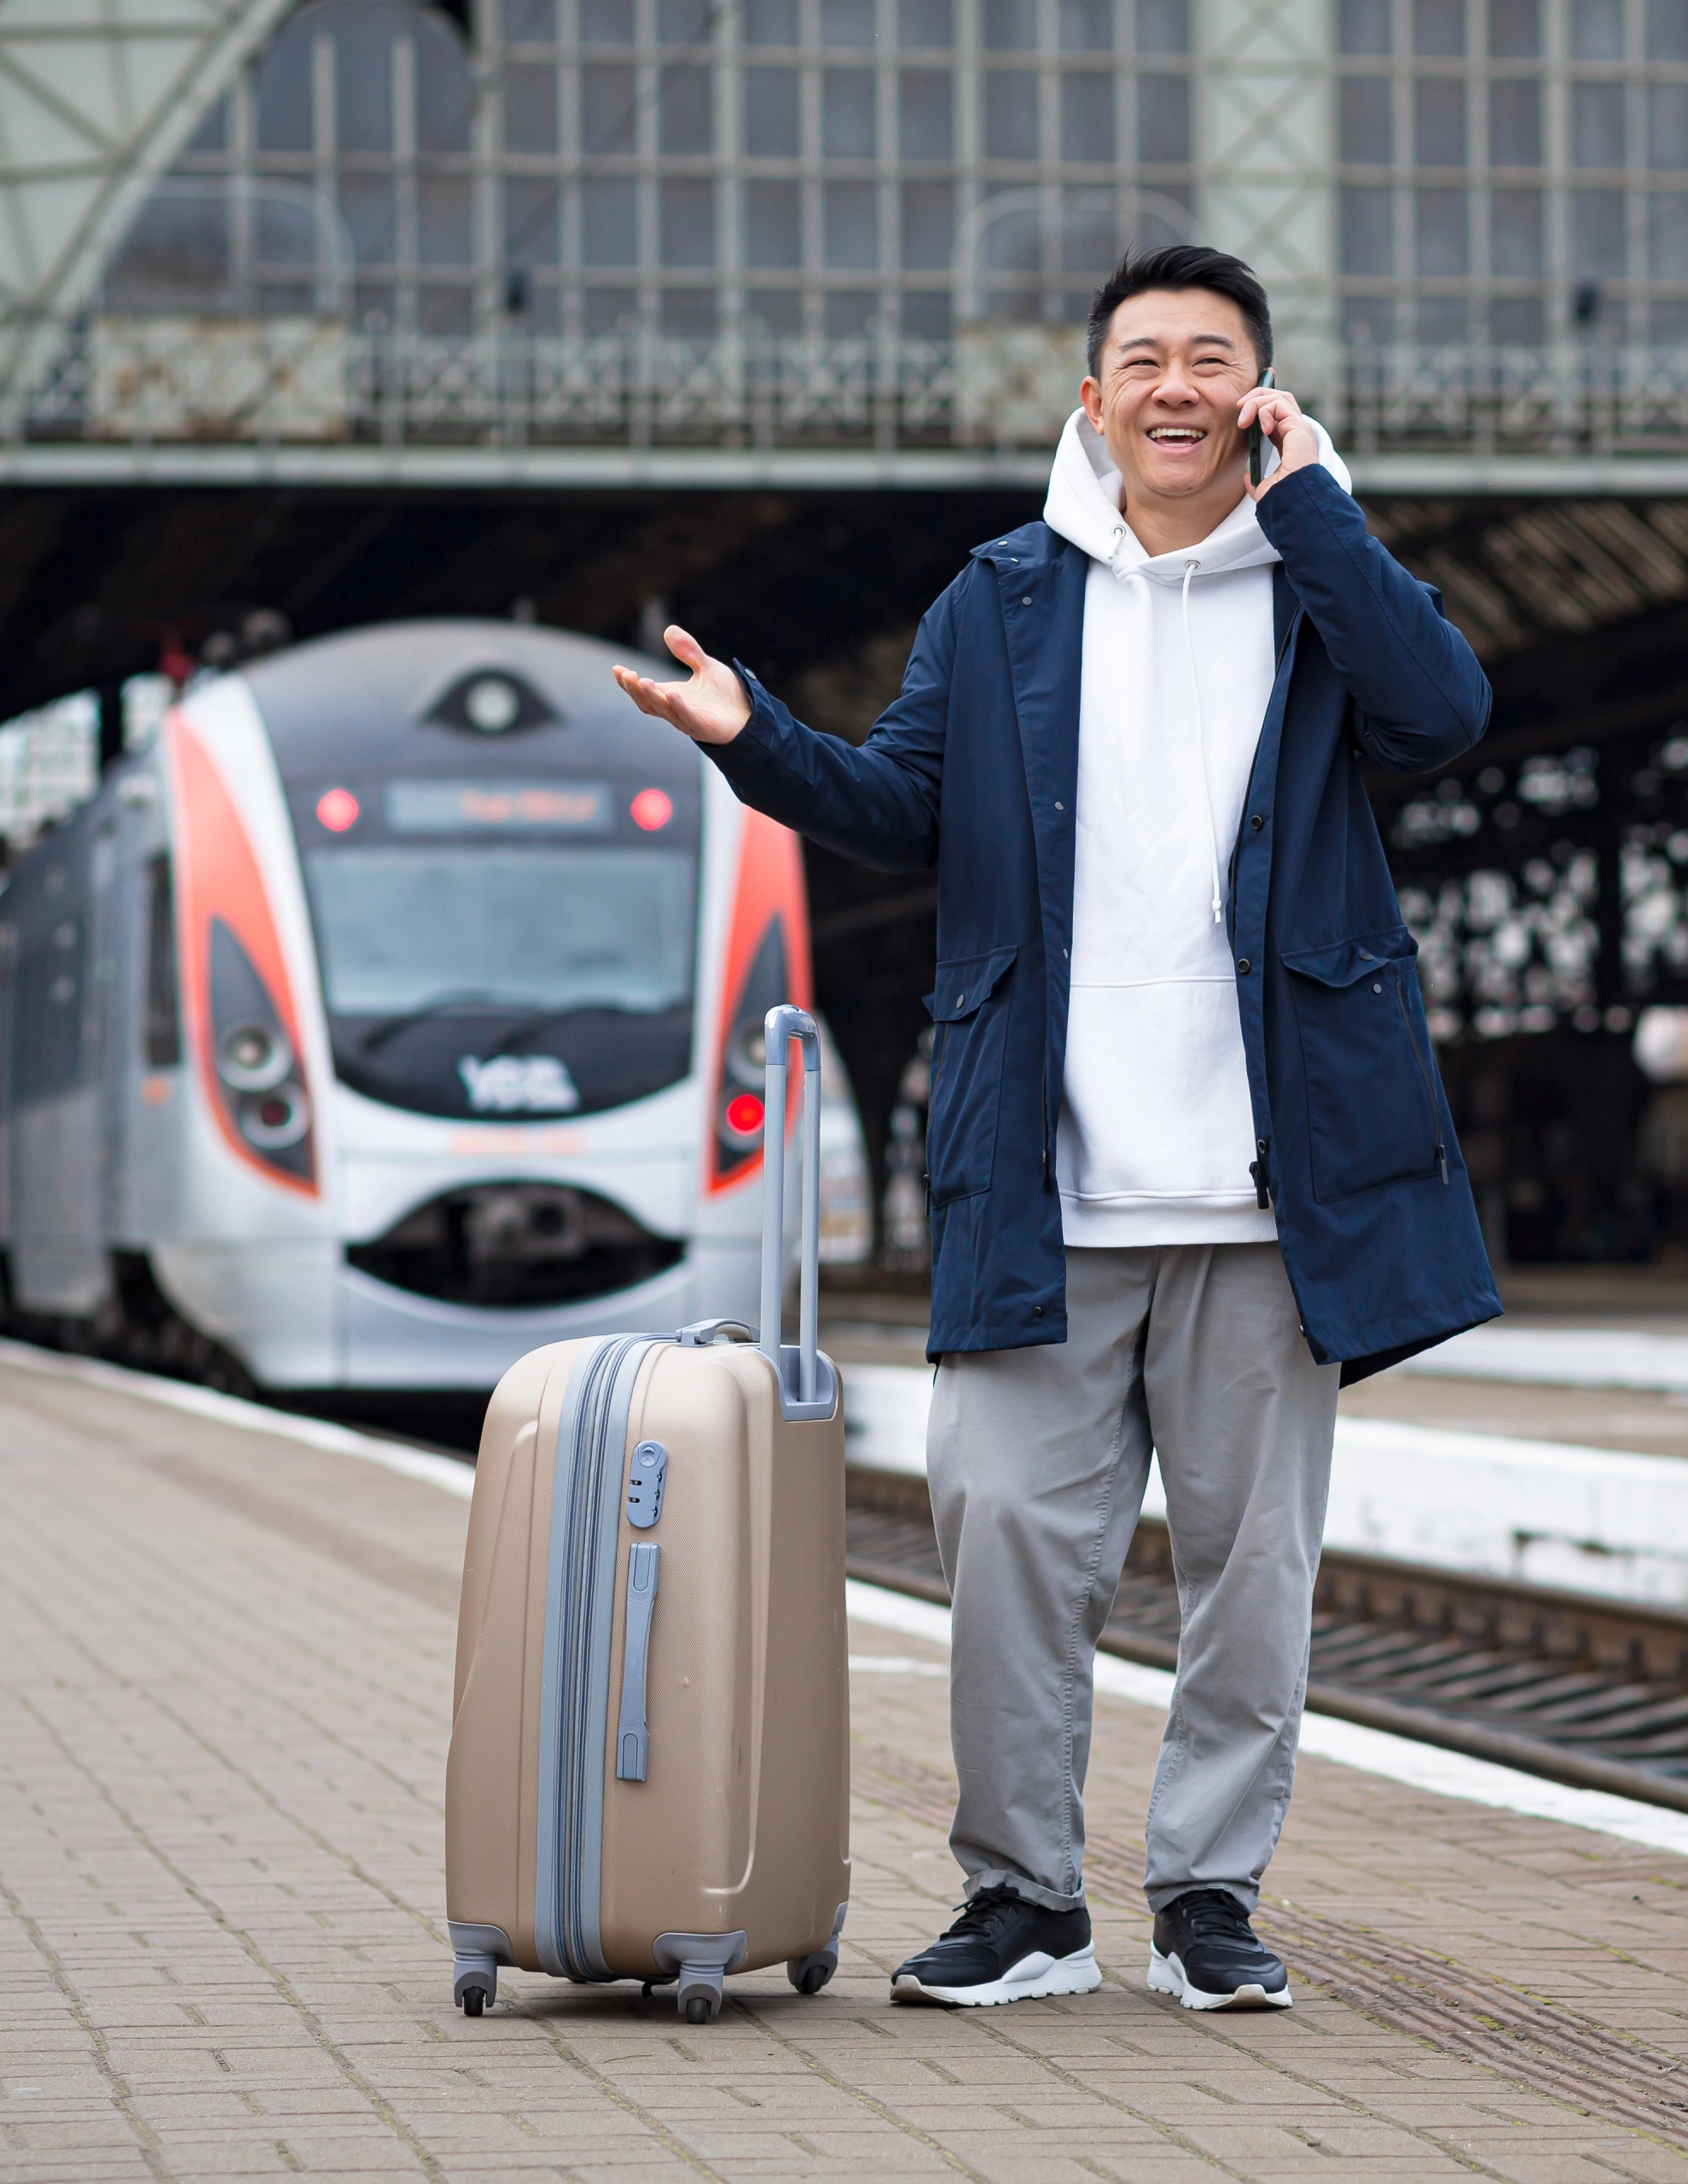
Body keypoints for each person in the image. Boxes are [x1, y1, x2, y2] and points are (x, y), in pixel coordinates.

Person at [614, 245, 1499, 2013]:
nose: (1177, 385)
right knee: (1006, 1532)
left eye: (1215, 359)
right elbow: (896, 806)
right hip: (1048, 1174)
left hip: (1273, 1190)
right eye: (1144, 358)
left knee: (1254, 1578)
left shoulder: (1322, 593)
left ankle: (1210, 1893)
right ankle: (1026, 1895)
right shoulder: (1003, 599)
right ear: (1090, 401)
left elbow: (1445, 714)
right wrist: (754, 739)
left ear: (1260, 393)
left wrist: (1315, 503)